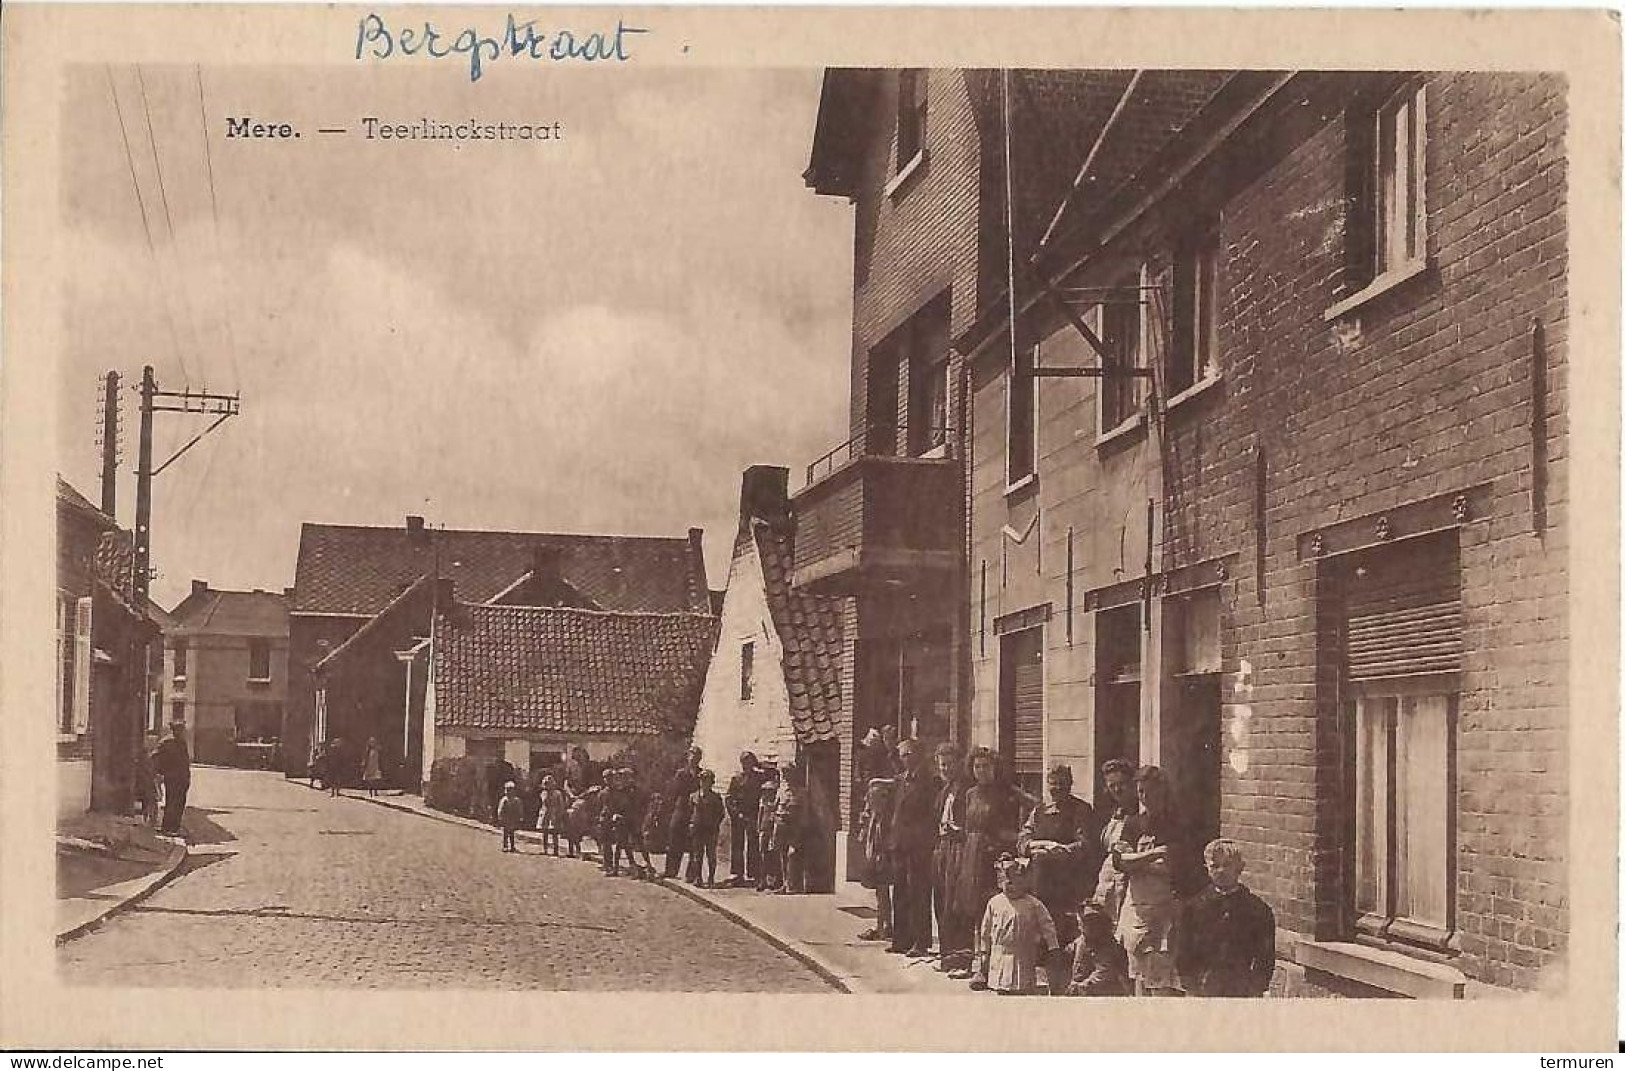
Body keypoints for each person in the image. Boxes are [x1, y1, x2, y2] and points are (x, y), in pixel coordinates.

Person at [1018, 762, 1102, 993]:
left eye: (1062, 785)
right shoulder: (1039, 811)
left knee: (1066, 938)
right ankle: (1042, 983)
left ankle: (1067, 984)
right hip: (1041, 884)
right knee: (1042, 935)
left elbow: (1086, 844)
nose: (1057, 790)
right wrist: (1035, 844)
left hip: (1069, 886)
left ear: (1070, 785)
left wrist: (1063, 850)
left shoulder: (1082, 810)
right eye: (1053, 785)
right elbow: (1023, 840)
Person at [1112, 765, 1194, 996]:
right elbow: (1120, 861)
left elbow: (1172, 866)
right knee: (1137, 975)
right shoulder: (1133, 823)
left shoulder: (1176, 825)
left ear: (1163, 792)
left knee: (1160, 977)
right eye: (1141, 792)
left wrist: (1137, 862)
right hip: (1136, 906)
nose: (1146, 798)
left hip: (1162, 908)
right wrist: (1154, 854)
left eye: (1151, 792)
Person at [950, 747, 1022, 980]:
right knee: (972, 910)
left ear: (995, 768)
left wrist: (1002, 845)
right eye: (977, 766)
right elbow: (968, 824)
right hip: (972, 855)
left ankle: (989, 967)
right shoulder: (970, 794)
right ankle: (975, 963)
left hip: (994, 857)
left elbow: (1017, 825)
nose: (981, 771)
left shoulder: (1006, 794)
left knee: (992, 911)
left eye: (986, 766)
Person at [1177, 839, 1276, 997]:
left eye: (1228, 865)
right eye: (1215, 866)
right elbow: (1183, 951)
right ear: (1207, 869)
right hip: (1203, 988)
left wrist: (1256, 987)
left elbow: (1265, 957)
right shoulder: (1193, 908)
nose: (1221, 871)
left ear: (1240, 868)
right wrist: (1192, 984)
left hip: (1241, 989)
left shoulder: (1257, 910)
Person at [972, 855, 1060, 995]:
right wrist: (983, 952)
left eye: (1016, 883)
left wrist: (1053, 947)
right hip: (1000, 952)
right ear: (1001, 883)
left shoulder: (1033, 904)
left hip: (1023, 953)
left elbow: (1047, 926)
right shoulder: (994, 903)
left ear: (1025, 883)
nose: (1011, 887)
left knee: (1022, 986)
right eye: (1007, 883)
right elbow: (985, 929)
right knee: (1001, 987)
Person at [886, 737, 942, 958]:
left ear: (919, 755)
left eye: (909, 754)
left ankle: (920, 941)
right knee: (899, 891)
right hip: (899, 843)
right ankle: (901, 939)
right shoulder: (900, 781)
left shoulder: (930, 782)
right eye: (902, 755)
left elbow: (931, 816)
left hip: (919, 846)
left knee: (918, 892)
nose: (905, 759)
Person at [930, 743, 972, 972]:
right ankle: (946, 954)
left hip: (959, 848)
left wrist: (958, 830)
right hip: (942, 847)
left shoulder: (966, 790)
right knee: (941, 899)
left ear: (959, 764)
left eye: (949, 764)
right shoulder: (944, 790)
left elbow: (970, 822)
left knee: (955, 902)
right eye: (942, 764)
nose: (946, 768)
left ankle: (958, 956)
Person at [1090, 758, 1139, 927]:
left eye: (1122, 784)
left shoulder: (1139, 814)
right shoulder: (1111, 813)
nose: (1117, 789)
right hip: (1107, 883)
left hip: (1128, 884)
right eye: (1112, 786)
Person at [855, 776, 895, 942]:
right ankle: (883, 925)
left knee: (883, 894)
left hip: (883, 860)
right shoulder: (873, 817)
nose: (869, 802)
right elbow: (864, 837)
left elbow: (884, 840)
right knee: (880, 894)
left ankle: (884, 926)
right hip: (875, 858)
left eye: (872, 799)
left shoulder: (885, 819)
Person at [1067, 903, 1132, 996]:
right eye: (1082, 922)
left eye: (1090, 922)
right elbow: (1068, 957)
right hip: (1081, 992)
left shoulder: (1107, 945)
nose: (1082, 926)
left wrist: (1080, 987)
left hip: (1104, 994)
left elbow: (1103, 972)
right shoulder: (1081, 941)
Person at [724, 752, 766, 887]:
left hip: (753, 815)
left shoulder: (759, 777)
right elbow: (729, 798)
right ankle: (737, 873)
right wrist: (736, 814)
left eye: (749, 761)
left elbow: (771, 778)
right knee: (737, 845)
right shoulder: (736, 778)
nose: (746, 765)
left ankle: (753, 873)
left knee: (753, 844)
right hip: (739, 816)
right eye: (744, 762)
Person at [662, 747, 704, 879]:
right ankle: (671, 871)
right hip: (681, 809)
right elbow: (674, 791)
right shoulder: (681, 773)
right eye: (692, 756)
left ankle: (691, 875)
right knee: (675, 841)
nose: (694, 759)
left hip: (695, 811)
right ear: (687, 757)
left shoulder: (702, 774)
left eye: (697, 756)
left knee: (694, 844)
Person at [152, 721, 191, 837]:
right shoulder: (167, 742)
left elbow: (185, 761)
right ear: (176, 730)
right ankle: (168, 828)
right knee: (173, 802)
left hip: (181, 777)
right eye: (181, 730)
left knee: (179, 803)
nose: (183, 732)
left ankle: (174, 827)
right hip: (173, 777)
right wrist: (160, 772)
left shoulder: (181, 743)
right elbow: (155, 757)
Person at [688, 769, 725, 886]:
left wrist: (715, 824)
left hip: (710, 829)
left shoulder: (716, 797)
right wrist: (691, 823)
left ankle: (711, 878)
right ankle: (698, 877)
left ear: (711, 783)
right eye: (702, 780)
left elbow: (720, 813)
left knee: (711, 855)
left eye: (707, 781)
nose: (704, 783)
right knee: (697, 854)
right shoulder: (693, 796)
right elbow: (690, 811)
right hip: (697, 829)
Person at [772, 765, 806, 893]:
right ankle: (785, 883)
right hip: (781, 823)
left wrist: (802, 826)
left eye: (788, 774)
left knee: (793, 854)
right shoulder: (781, 790)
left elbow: (805, 811)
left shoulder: (801, 792)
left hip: (795, 825)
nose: (786, 777)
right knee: (782, 854)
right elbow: (775, 807)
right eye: (784, 774)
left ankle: (793, 884)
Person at [755, 773, 781, 891]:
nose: (768, 793)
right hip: (764, 829)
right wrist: (759, 828)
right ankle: (762, 880)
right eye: (766, 791)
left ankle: (773, 879)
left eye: (770, 791)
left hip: (773, 830)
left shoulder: (776, 802)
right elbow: (760, 815)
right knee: (763, 854)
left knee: (773, 854)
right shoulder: (763, 802)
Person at [536, 774, 567, 856]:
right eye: (545, 784)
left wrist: (560, 814)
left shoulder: (557, 793)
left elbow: (561, 805)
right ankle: (545, 849)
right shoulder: (543, 793)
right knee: (545, 832)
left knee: (554, 832)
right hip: (545, 813)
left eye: (548, 784)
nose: (547, 786)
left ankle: (555, 850)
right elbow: (542, 803)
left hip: (554, 813)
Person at [133, 744, 160, 828]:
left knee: (147, 803)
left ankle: (148, 819)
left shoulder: (142, 763)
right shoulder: (145, 764)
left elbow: (152, 775)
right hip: (145, 786)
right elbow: (152, 775)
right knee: (147, 803)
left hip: (146, 786)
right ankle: (147, 819)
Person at [497, 781, 524, 852]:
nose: (509, 792)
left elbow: (520, 809)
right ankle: (505, 846)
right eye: (507, 790)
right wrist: (500, 816)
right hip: (506, 818)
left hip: (513, 818)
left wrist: (520, 816)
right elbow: (500, 809)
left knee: (512, 832)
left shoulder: (516, 800)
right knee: (505, 832)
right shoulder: (504, 800)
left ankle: (512, 846)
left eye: (511, 790)